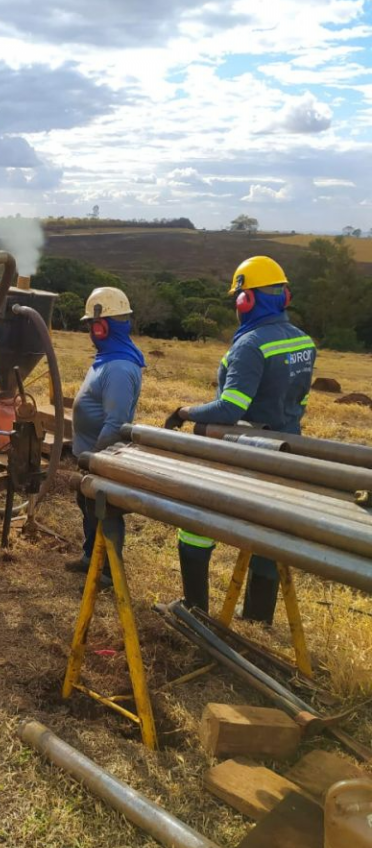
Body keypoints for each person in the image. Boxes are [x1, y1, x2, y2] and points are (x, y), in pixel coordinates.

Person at [164, 256, 316, 622]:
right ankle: (258, 618)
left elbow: (230, 408)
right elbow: (301, 401)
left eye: (239, 297)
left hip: (244, 454)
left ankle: (195, 610)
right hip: (287, 451)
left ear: (245, 300)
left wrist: (185, 412)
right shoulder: (303, 341)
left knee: (195, 524)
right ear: (284, 297)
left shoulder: (250, 345)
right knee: (267, 529)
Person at [67, 287, 145, 580]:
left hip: (101, 457)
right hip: (90, 454)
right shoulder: (108, 358)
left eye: (91, 325)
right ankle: (91, 557)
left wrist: (93, 460)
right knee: (89, 507)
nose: (89, 330)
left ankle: (108, 572)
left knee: (104, 512)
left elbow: (116, 424)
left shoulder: (120, 368)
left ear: (102, 327)